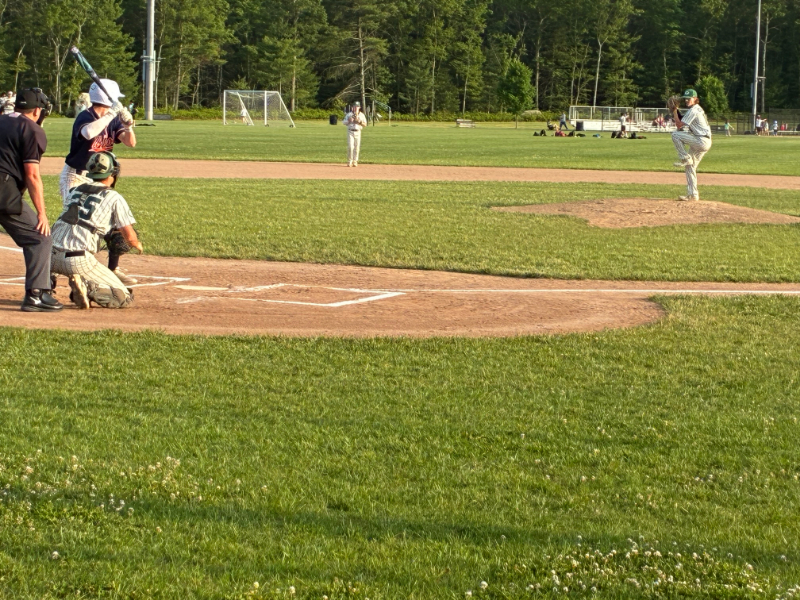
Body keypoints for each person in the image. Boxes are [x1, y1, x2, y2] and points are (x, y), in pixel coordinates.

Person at [60, 78, 137, 285]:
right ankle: (71, 269)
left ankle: (113, 269)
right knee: (77, 222)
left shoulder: (113, 119)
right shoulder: (85, 116)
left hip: (100, 178)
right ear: (107, 98)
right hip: (76, 176)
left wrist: (128, 126)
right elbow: (88, 133)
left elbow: (130, 143)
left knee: (111, 221)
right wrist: (111, 114)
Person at [51, 152, 142, 309]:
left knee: (50, 262)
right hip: (77, 261)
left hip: (48, 256)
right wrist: (137, 244)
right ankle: (88, 288)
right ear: (113, 173)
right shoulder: (114, 197)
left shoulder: (74, 190)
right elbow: (129, 236)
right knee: (124, 298)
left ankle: (45, 286)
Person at [0, 89, 62, 312]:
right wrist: (41, 214)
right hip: (3, 191)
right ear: (37, 110)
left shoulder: (2, 120)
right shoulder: (32, 129)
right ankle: (36, 295)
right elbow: (32, 175)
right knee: (39, 237)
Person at [670, 88, 712, 202]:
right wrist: (676, 110)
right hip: (704, 141)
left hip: (700, 140)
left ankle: (685, 157)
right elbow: (683, 123)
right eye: (685, 99)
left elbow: (679, 125)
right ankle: (693, 194)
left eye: (689, 98)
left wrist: (674, 110)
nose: (686, 100)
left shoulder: (693, 110)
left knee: (675, 135)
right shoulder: (697, 109)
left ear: (695, 99)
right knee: (690, 167)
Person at [343, 101, 367, 167]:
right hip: (350, 131)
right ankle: (349, 161)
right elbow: (344, 122)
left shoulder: (361, 115)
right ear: (352, 107)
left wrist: (360, 122)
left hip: (358, 131)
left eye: (357, 107)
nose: (355, 108)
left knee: (357, 147)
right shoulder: (349, 114)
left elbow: (365, 124)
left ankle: (355, 161)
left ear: (359, 107)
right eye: (354, 107)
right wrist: (349, 121)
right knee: (351, 147)